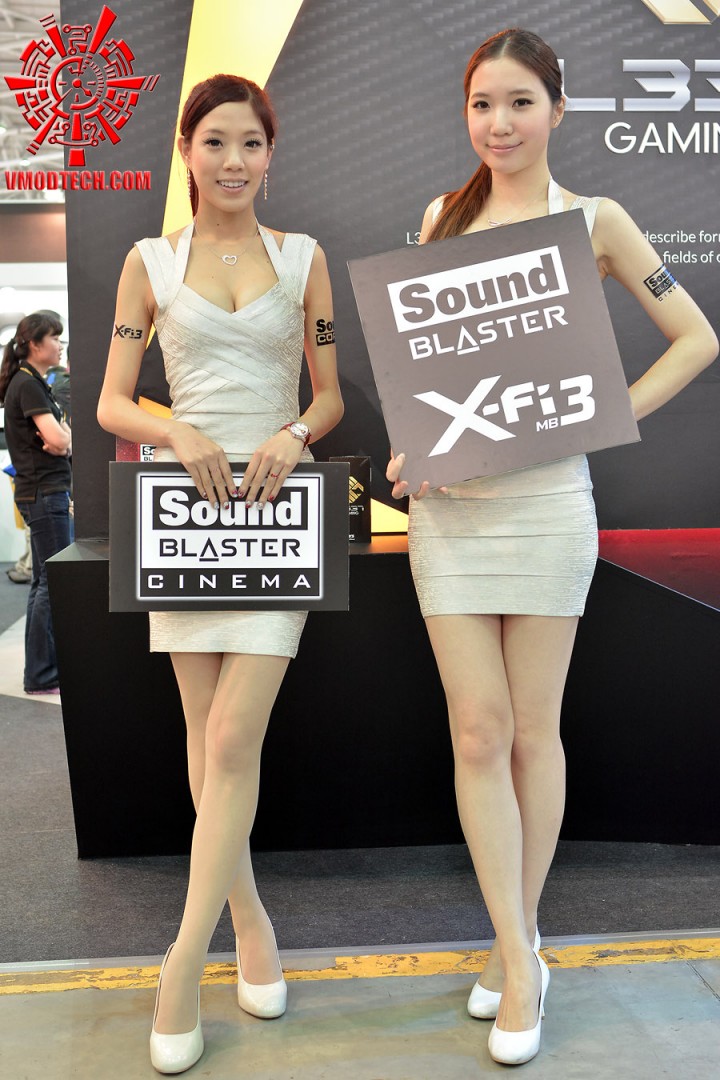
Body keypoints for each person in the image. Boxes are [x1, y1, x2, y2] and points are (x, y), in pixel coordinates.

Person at [386, 28, 717, 1067]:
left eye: (520, 102)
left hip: (547, 509)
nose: (500, 123)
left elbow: (698, 338)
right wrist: (414, 445)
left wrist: (599, 412)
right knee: (475, 732)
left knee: (533, 732)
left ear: (558, 109)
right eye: (483, 104)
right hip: (452, 516)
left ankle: (517, 951)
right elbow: (430, 373)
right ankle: (518, 947)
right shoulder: (441, 219)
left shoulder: (595, 219)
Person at [97, 74, 343, 1074]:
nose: (233, 160)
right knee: (208, 747)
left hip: (278, 516)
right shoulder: (149, 260)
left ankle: (181, 964)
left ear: (270, 153)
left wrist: (294, 432)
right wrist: (175, 428)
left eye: (250, 143)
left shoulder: (305, 259)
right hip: (184, 517)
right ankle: (251, 925)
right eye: (215, 142)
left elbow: (329, 397)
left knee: (234, 738)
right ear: (187, 153)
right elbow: (113, 401)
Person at [0, 312, 72, 693]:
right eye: (54, 338)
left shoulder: (32, 382)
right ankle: (42, 674)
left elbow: (62, 439)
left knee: (44, 581)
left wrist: (63, 441)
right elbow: (58, 440)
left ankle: (40, 671)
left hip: (43, 492)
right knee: (50, 583)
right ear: (34, 344)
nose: (60, 345)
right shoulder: (27, 384)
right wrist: (63, 442)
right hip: (44, 492)